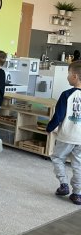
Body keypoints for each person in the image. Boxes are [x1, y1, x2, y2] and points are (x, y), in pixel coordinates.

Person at [46, 61, 81, 205]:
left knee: (57, 158)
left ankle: (64, 184)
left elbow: (58, 116)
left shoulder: (66, 94)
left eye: (68, 74)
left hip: (67, 135)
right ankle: (77, 194)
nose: (67, 77)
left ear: (75, 76)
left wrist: (49, 128)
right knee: (78, 165)